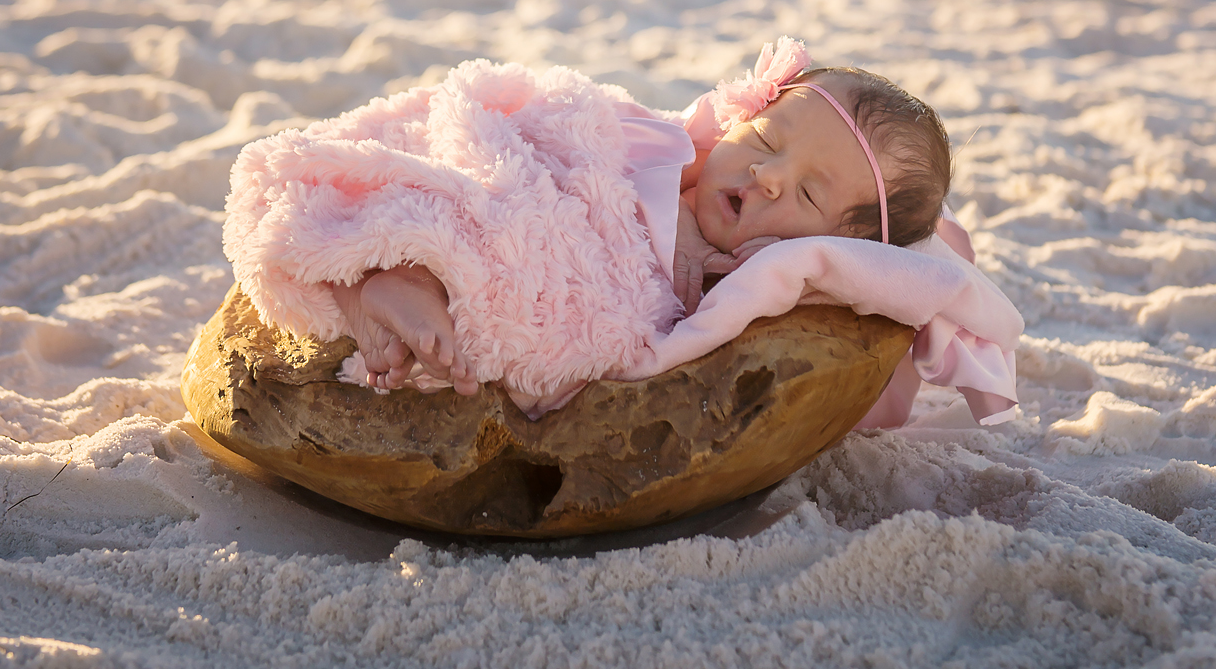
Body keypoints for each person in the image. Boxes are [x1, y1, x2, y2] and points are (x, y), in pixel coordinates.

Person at [324, 41, 953, 410]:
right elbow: (579, 165)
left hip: (571, 271)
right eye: (764, 136)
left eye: (808, 192)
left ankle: (400, 291)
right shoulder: (672, 160)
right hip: (554, 205)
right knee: (499, 205)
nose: (767, 173)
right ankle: (397, 276)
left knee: (552, 293)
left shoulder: (769, 273)